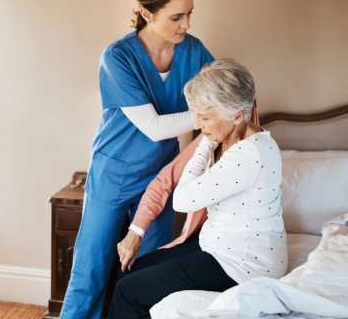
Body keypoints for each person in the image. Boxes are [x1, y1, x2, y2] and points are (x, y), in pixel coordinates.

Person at [60, 0, 214, 319]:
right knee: (91, 271)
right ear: (147, 13)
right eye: (177, 16)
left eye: (190, 13)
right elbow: (156, 127)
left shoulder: (195, 51)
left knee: (147, 273)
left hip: (159, 176)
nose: (186, 24)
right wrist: (209, 116)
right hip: (114, 171)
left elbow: (225, 94)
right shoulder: (118, 57)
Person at [107, 58, 288, 319]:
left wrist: (205, 144)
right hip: (217, 247)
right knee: (129, 269)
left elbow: (182, 200)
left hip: (244, 264)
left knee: (128, 291)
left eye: (204, 118)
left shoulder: (249, 153)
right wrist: (210, 136)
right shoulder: (236, 135)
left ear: (237, 115)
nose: (198, 125)